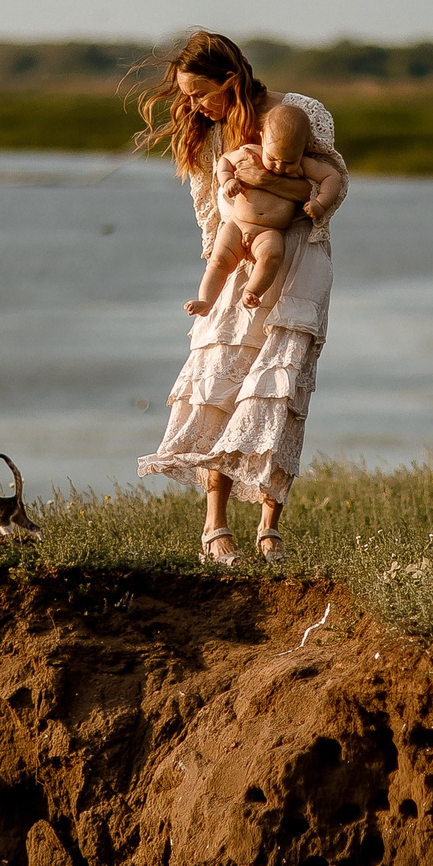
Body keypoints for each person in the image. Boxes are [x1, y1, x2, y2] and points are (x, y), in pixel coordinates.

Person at [135, 31, 347, 564]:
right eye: (186, 95)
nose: (193, 105)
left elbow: (330, 183)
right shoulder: (208, 135)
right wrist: (223, 268)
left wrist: (265, 178)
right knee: (221, 383)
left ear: (231, 81)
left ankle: (270, 529)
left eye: (201, 92)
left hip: (298, 256)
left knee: (277, 388)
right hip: (238, 262)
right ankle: (215, 526)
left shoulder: (299, 114)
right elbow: (213, 212)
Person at [186, 99, 312, 314]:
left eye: (288, 162)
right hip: (237, 225)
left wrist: (320, 201)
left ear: (303, 149)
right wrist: (227, 181)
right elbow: (225, 161)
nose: (280, 166)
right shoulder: (250, 153)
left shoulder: (303, 166)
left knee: (272, 255)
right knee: (218, 260)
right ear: (263, 137)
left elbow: (333, 177)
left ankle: (252, 291)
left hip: (269, 231)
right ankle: (206, 301)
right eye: (273, 158)